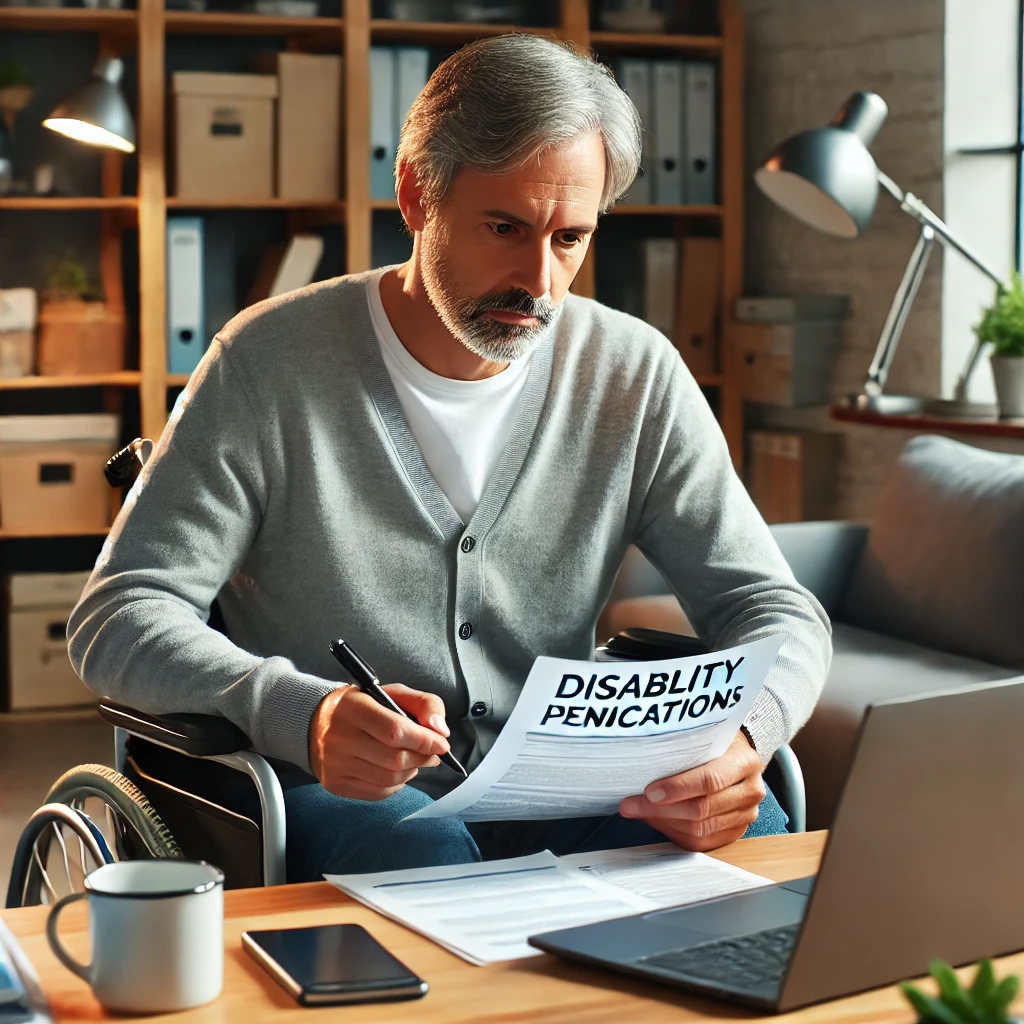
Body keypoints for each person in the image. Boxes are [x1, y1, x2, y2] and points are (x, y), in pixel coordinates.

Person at [68, 34, 832, 881]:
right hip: (338, 792)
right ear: (415, 196)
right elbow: (119, 616)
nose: (539, 282)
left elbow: (777, 610)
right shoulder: (266, 363)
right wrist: (303, 711)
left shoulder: (635, 374)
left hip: (565, 784)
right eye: (504, 227)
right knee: (424, 857)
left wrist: (746, 736)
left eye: (570, 238)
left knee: (752, 831)